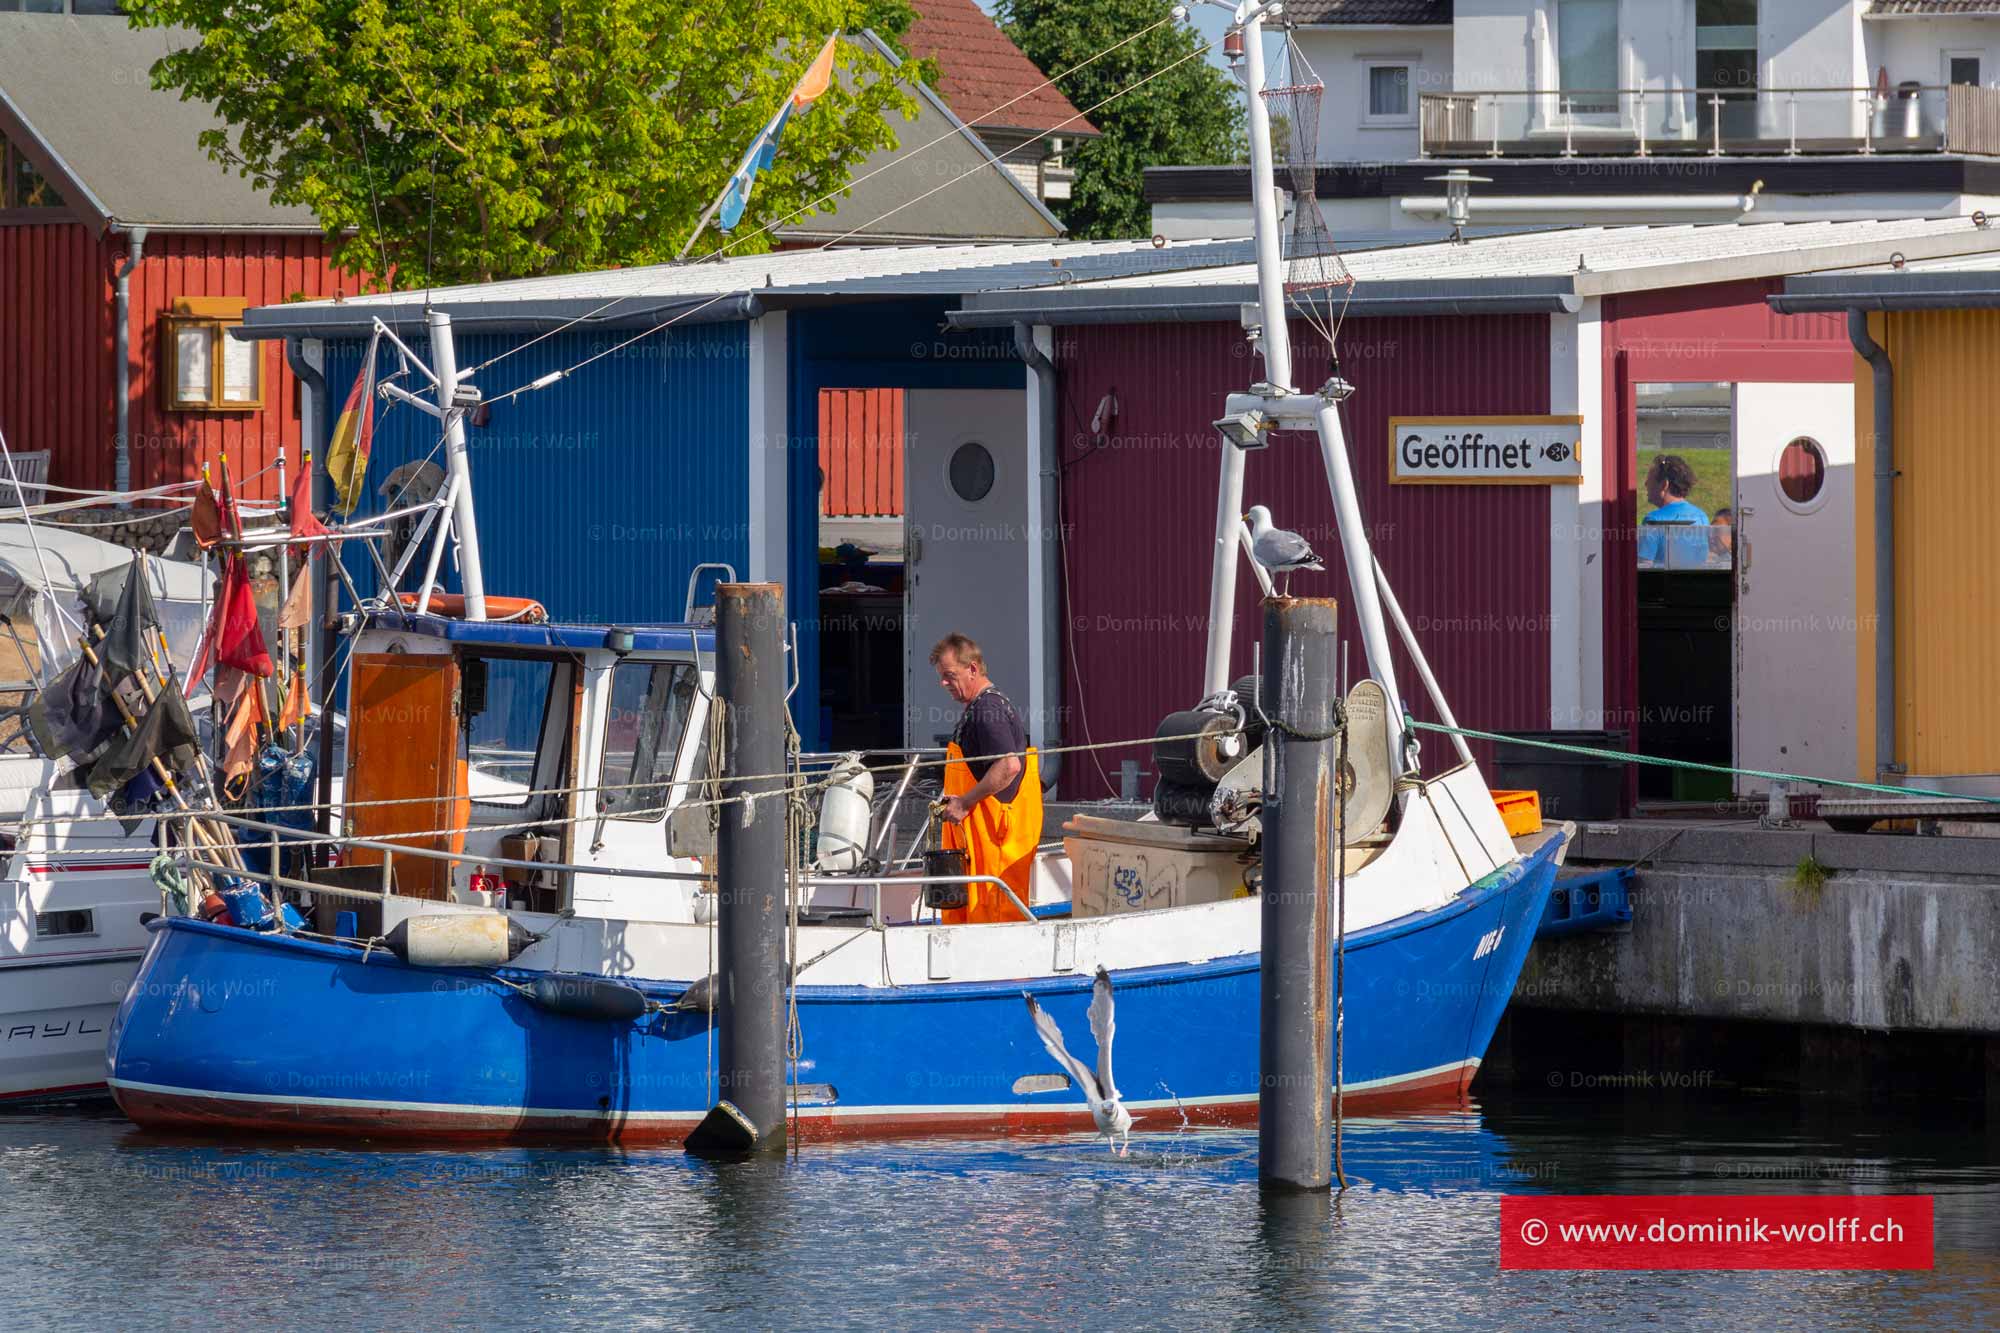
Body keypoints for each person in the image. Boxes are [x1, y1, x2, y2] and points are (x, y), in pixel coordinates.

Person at [930, 632, 1042, 925]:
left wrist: (965, 802)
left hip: (994, 843)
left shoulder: (988, 710)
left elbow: (1009, 765)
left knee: (993, 916)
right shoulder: (980, 708)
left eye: (949, 675)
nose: (944, 683)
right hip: (977, 843)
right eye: (941, 676)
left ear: (973, 669)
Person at [1637, 454, 1710, 569]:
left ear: (1664, 484)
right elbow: (1702, 560)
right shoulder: (1701, 516)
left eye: (1650, 480)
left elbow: (1644, 567)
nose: (1646, 484)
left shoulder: (1653, 520)